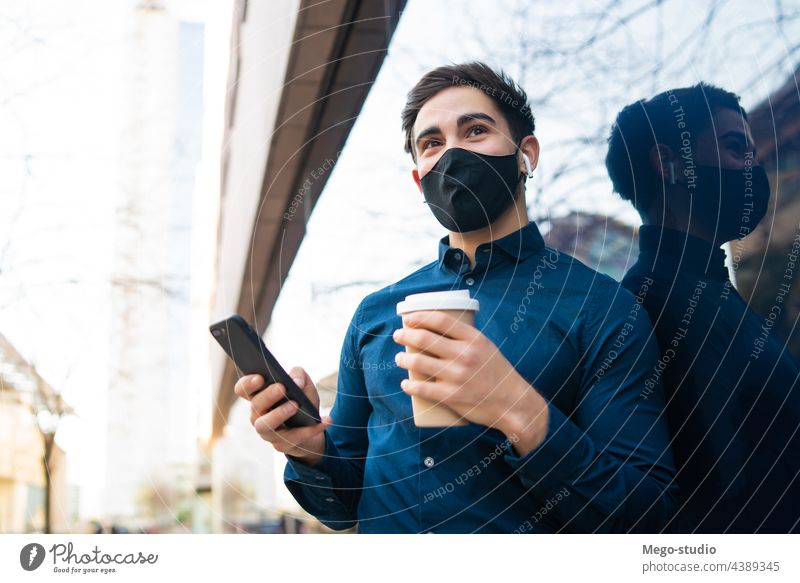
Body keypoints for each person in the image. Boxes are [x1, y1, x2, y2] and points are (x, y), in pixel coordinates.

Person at [235, 62, 678, 533]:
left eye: (475, 130)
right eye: (432, 143)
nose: (452, 155)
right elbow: (341, 504)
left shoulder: (603, 309)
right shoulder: (375, 315)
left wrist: (520, 411)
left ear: (525, 154)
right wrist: (308, 451)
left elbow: (646, 515)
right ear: (419, 179)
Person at [607, 83, 800, 533]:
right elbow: (719, 495)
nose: (754, 168)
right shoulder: (654, 304)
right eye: (736, 147)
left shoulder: (712, 292)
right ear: (670, 164)